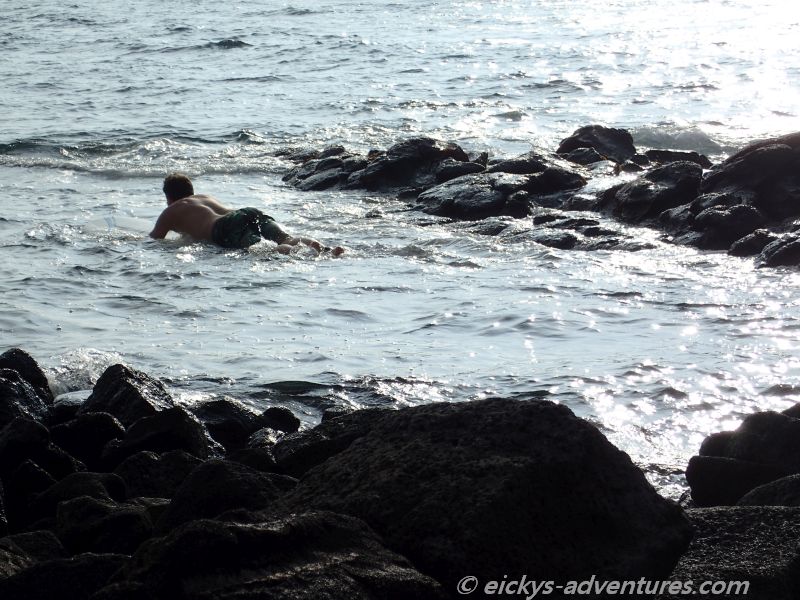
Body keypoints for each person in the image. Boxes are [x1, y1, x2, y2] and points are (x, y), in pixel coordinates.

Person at [149, 173, 343, 255]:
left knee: (261, 249)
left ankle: (297, 253)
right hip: (246, 212)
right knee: (286, 237)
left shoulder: (170, 211)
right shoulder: (204, 197)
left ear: (168, 197)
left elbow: (154, 240)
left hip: (225, 227)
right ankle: (322, 248)